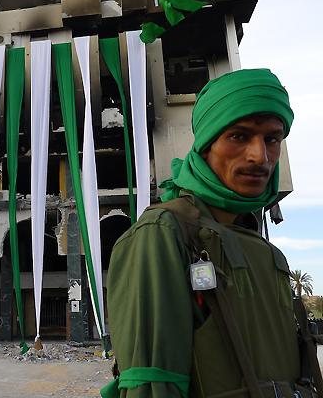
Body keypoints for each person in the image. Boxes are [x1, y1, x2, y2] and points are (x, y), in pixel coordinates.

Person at [103, 69, 321, 397]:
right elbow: (150, 386)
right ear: (207, 145)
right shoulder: (163, 234)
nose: (259, 156)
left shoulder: (268, 251)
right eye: (239, 136)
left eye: (272, 139)